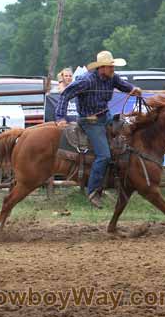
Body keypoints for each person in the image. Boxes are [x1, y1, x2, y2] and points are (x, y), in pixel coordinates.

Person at [55, 51, 142, 208]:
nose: (113, 69)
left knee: (127, 135)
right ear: (101, 67)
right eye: (110, 67)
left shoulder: (111, 78)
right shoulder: (86, 81)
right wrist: (61, 117)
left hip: (105, 117)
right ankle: (93, 191)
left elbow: (123, 85)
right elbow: (66, 94)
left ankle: (120, 180)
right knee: (103, 155)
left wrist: (133, 89)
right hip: (89, 122)